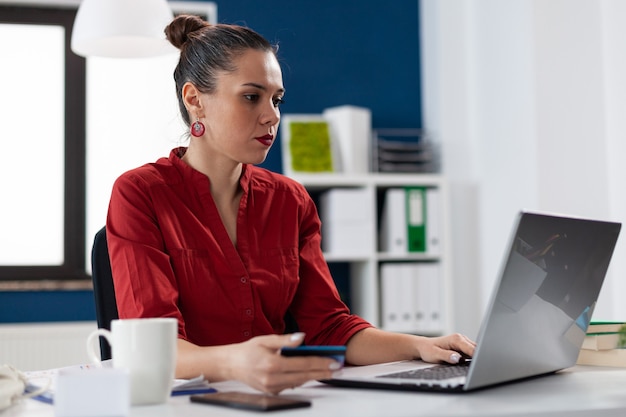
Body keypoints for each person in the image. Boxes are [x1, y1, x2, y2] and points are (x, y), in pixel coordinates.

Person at [106, 14, 475, 395]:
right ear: (195, 100)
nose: (272, 116)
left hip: (276, 399)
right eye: (252, 97)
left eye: (276, 99)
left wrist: (419, 345)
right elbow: (154, 349)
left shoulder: (290, 200)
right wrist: (234, 362)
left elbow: (330, 326)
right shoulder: (140, 194)